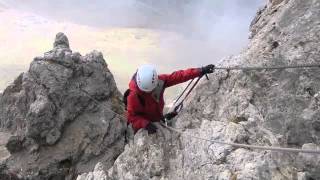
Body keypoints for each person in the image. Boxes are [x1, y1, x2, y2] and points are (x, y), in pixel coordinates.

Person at [126, 64, 215, 134]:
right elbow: (131, 117)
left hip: (157, 119)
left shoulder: (157, 81)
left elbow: (178, 76)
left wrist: (200, 71)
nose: (153, 90)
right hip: (144, 129)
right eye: (149, 90)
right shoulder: (133, 96)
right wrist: (145, 124)